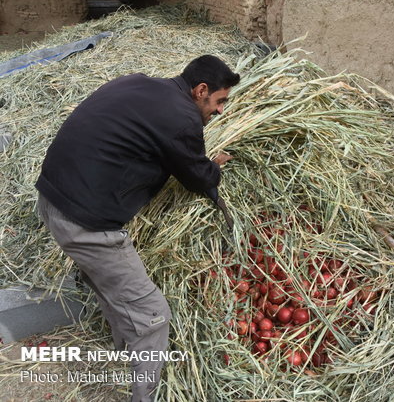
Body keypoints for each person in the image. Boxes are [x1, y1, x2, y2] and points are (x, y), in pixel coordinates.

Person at [35, 55, 240, 401]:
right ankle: (146, 395)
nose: (220, 111)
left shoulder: (142, 84)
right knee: (153, 313)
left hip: (53, 198)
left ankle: (126, 353)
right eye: (219, 101)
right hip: (84, 223)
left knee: (114, 289)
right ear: (201, 90)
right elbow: (196, 177)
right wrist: (213, 169)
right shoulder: (181, 117)